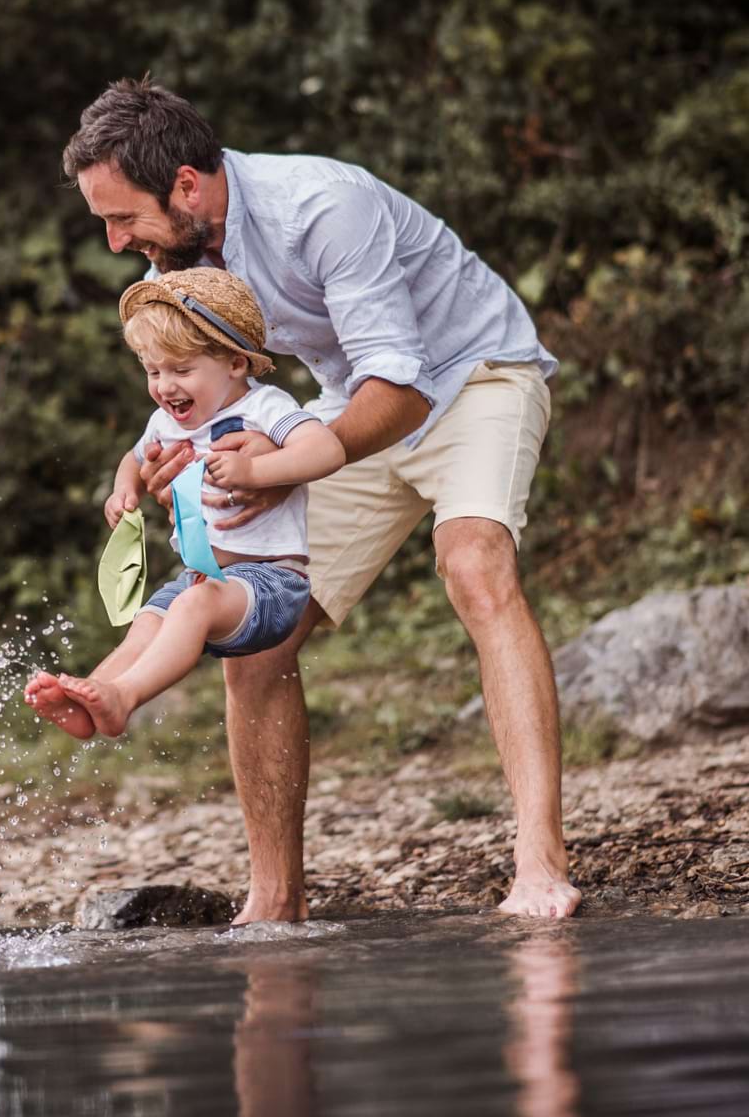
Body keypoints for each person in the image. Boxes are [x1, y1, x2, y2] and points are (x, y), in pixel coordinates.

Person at [61, 77, 579, 921]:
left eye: (124, 219)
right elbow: (206, 383)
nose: (118, 241)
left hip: (472, 376)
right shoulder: (183, 252)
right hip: (349, 400)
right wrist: (192, 453)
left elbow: (403, 389)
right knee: (257, 620)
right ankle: (276, 901)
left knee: (475, 564)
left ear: (187, 185)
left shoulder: (322, 207)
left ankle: (539, 860)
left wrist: (280, 465)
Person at [25, 269, 343, 738]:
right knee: (150, 620)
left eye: (181, 369)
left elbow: (326, 450)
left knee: (193, 605)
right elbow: (131, 460)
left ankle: (123, 699)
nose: (165, 386)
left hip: (271, 580)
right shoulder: (165, 421)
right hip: (201, 577)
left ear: (235, 363)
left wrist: (255, 471)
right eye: (153, 371)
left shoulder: (264, 407)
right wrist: (123, 491)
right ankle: (90, 696)